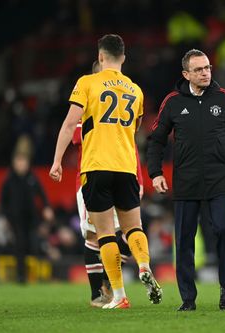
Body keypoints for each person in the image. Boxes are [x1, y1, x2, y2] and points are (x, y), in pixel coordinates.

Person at [49, 34, 161, 309]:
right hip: (126, 167)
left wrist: (56, 161)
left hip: (96, 167)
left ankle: (120, 296)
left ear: (100, 57)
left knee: (105, 236)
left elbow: (68, 125)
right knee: (133, 228)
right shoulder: (136, 91)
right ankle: (144, 264)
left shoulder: (87, 83)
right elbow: (132, 135)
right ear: (123, 57)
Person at [147, 49, 225, 311]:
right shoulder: (172, 102)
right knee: (184, 240)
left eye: (207, 67)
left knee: (222, 229)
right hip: (186, 181)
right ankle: (188, 298)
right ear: (186, 74)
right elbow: (157, 140)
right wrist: (156, 172)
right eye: (199, 70)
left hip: (220, 178)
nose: (205, 72)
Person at [0, 151, 54, 283]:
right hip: (16, 219)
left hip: (32, 218)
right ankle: (21, 276)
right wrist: (7, 217)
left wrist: (47, 207)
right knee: (20, 246)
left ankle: (39, 275)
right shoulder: (9, 180)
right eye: (18, 162)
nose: (21, 165)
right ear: (14, 163)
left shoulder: (32, 178)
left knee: (35, 244)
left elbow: (42, 194)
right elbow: (3, 201)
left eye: (23, 162)